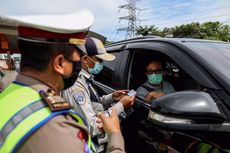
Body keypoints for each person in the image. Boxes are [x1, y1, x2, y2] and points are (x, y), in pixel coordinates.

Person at [0, 11, 125, 153]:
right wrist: (115, 134)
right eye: (78, 56)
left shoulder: (7, 96)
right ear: (59, 63)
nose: (79, 63)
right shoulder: (57, 128)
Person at [62, 37, 135, 152]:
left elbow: (91, 102)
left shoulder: (86, 78)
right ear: (85, 59)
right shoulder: (76, 85)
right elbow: (92, 126)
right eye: (99, 60)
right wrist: (121, 105)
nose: (102, 64)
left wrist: (111, 97)